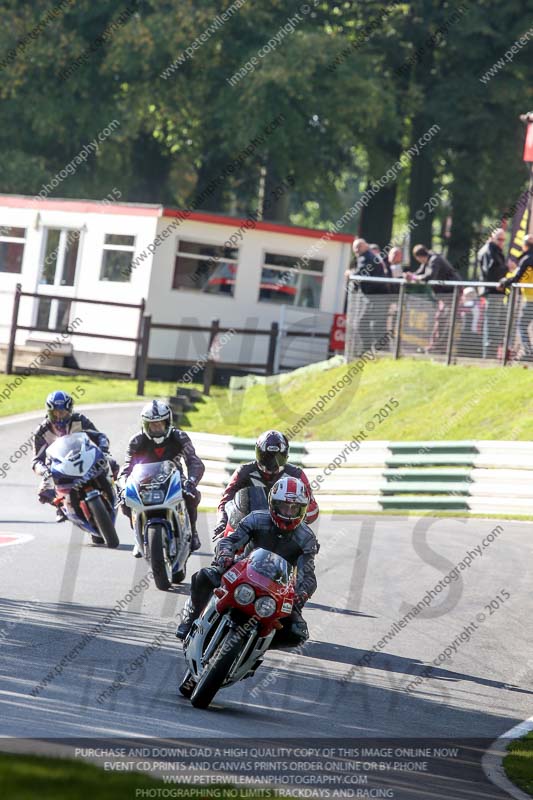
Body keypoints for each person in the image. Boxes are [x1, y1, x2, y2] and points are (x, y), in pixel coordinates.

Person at [176, 476, 318, 647]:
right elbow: (229, 541)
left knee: (297, 633)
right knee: (203, 576)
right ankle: (190, 617)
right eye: (283, 506)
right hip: (243, 571)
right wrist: (225, 555)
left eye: (294, 508)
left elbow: (308, 574)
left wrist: (301, 594)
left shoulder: (307, 538)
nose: (288, 513)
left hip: (278, 588)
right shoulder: (256, 518)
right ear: (273, 504)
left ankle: (257, 648)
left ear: (302, 510)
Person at [118, 400, 204, 552]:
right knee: (125, 501)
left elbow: (194, 462)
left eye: (160, 424)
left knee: (192, 495)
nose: (157, 428)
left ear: (168, 422)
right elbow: (126, 469)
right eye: (152, 424)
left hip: (175, 479)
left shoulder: (180, 437)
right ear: (145, 425)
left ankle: (193, 531)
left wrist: (191, 481)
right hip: (143, 482)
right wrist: (124, 486)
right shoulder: (136, 441)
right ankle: (139, 536)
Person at [212, 429, 319, 539]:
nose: (272, 463)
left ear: (285, 455)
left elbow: (311, 504)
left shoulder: (296, 474)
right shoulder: (244, 471)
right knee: (225, 544)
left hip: (285, 530)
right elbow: (226, 500)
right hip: (249, 528)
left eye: (277, 457)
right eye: (267, 457)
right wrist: (222, 521)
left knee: (307, 546)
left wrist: (298, 516)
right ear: (259, 454)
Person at [32, 390, 117, 523]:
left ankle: (116, 488)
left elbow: (100, 436)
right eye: (55, 413)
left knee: (112, 462)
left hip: (84, 456)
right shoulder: (42, 431)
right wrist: (44, 472)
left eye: (63, 412)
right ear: (49, 412)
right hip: (59, 465)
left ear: (70, 410)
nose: (59, 416)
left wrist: (104, 450)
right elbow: (36, 460)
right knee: (43, 490)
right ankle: (61, 506)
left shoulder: (79, 419)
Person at [406, 244, 461, 353]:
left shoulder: (434, 260)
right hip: (446, 294)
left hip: (452, 292)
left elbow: (430, 276)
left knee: (443, 319)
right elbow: (420, 273)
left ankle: (438, 348)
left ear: (419, 257)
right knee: (441, 319)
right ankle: (438, 347)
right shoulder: (429, 260)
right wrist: (410, 275)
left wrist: (414, 277)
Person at [346, 238, 389, 351]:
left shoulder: (366, 257)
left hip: (376, 296)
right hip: (375, 296)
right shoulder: (368, 256)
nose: (356, 251)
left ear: (363, 246)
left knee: (363, 323)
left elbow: (360, 273)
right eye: (354, 248)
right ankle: (376, 349)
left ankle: (370, 349)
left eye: (357, 247)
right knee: (373, 323)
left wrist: (350, 273)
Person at [498, 234, 533, 359]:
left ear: (524, 246)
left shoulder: (527, 259)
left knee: (522, 325)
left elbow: (516, 277)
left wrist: (503, 282)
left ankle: (529, 353)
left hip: (531, 300)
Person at [477, 229, 507, 358]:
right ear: (492, 238)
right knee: (492, 322)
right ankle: (488, 356)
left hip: (496, 292)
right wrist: (507, 268)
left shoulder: (495, 250)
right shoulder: (489, 250)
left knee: (496, 322)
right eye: (499, 239)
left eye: (503, 240)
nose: (502, 242)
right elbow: (490, 272)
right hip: (492, 292)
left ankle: (492, 353)